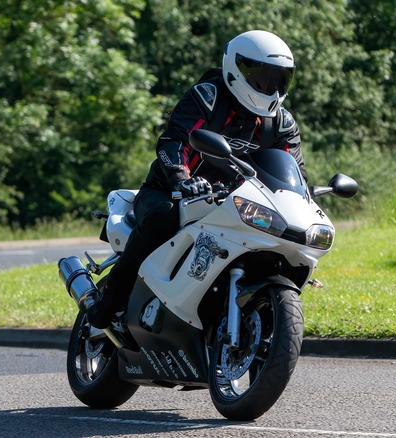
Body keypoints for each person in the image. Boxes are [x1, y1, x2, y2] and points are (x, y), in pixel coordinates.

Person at [85, 29, 307, 329]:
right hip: (173, 191)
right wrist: (181, 179)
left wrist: (302, 199)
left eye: (278, 79)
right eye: (262, 77)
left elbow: (294, 168)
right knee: (162, 218)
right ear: (237, 68)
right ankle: (107, 305)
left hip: (238, 203)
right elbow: (173, 141)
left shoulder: (281, 122)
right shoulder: (208, 97)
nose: (269, 87)